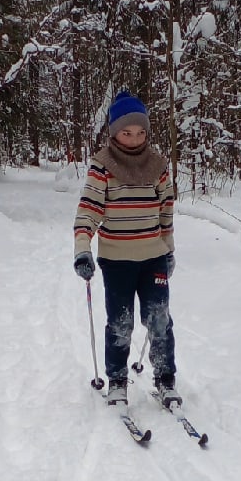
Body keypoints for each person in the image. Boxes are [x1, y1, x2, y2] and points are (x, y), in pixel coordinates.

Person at [73, 91, 180, 408]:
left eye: (140, 132)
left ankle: (165, 380)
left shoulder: (159, 166)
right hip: (117, 260)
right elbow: (89, 211)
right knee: (120, 322)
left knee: (159, 319)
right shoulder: (102, 167)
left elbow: (166, 211)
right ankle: (117, 381)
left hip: (153, 258)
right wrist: (83, 248)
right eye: (126, 132)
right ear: (114, 132)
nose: (134, 139)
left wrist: (169, 249)